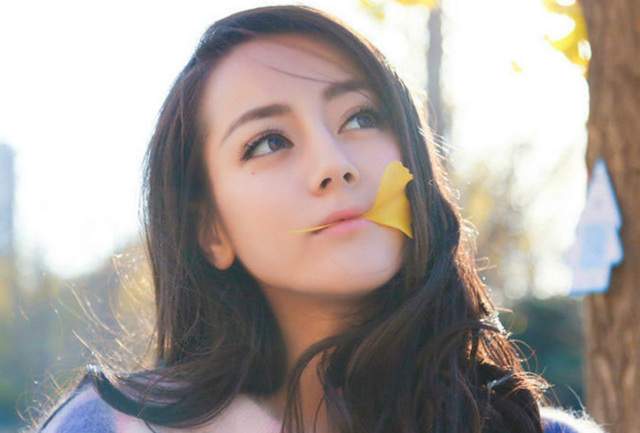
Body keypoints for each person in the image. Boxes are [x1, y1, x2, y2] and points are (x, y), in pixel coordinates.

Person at [31, 5, 607, 433]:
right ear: (211, 231)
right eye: (269, 141)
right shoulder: (110, 425)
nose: (334, 164)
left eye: (361, 118)